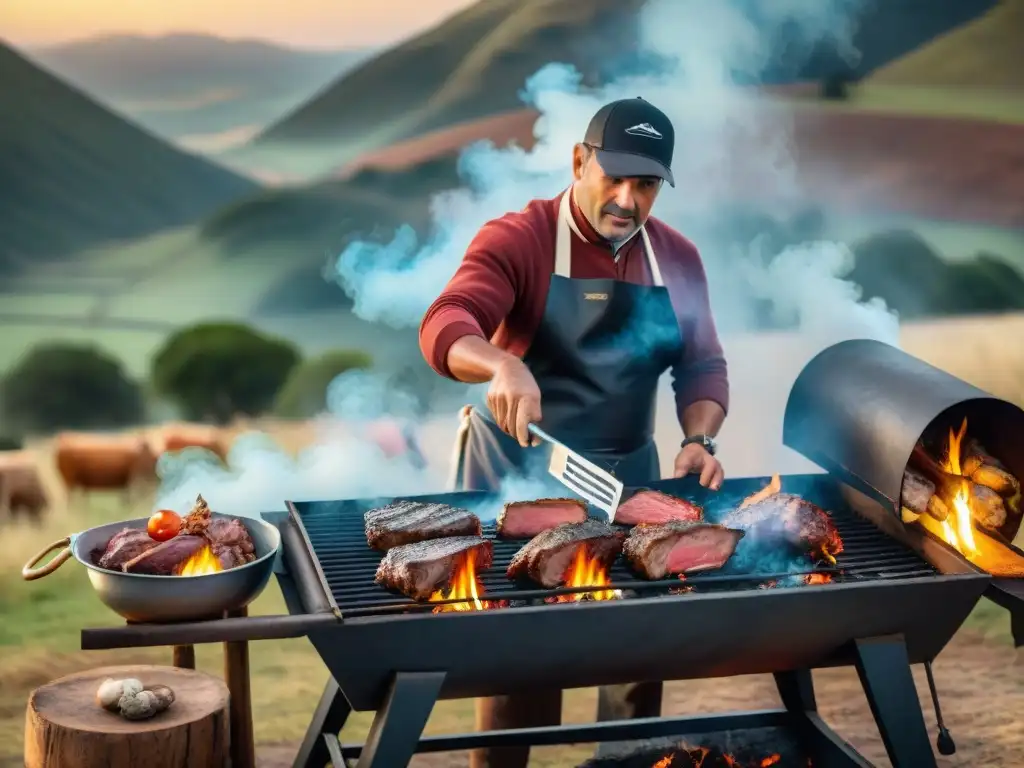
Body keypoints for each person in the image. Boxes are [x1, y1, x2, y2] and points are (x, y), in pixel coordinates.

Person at [418, 97, 730, 768]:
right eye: (612, 177)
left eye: (644, 184)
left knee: (637, 650)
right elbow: (446, 323)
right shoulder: (519, 239)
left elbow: (702, 362)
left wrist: (700, 438)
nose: (626, 198)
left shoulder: (677, 258)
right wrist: (500, 362)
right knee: (521, 656)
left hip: (628, 477)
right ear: (578, 161)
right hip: (518, 475)